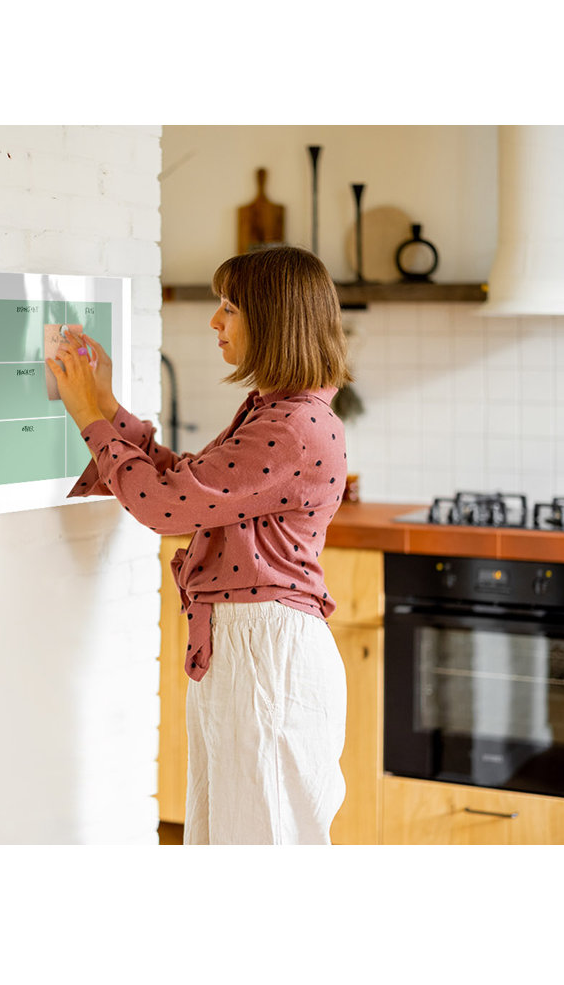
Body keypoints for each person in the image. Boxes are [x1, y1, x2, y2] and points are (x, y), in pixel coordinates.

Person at [47, 245, 351, 845]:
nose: (215, 321)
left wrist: (90, 418)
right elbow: (188, 484)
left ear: (274, 319)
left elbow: (166, 507)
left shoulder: (292, 427)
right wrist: (107, 407)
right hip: (249, 649)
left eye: (230, 307)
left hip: (266, 655)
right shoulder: (276, 413)